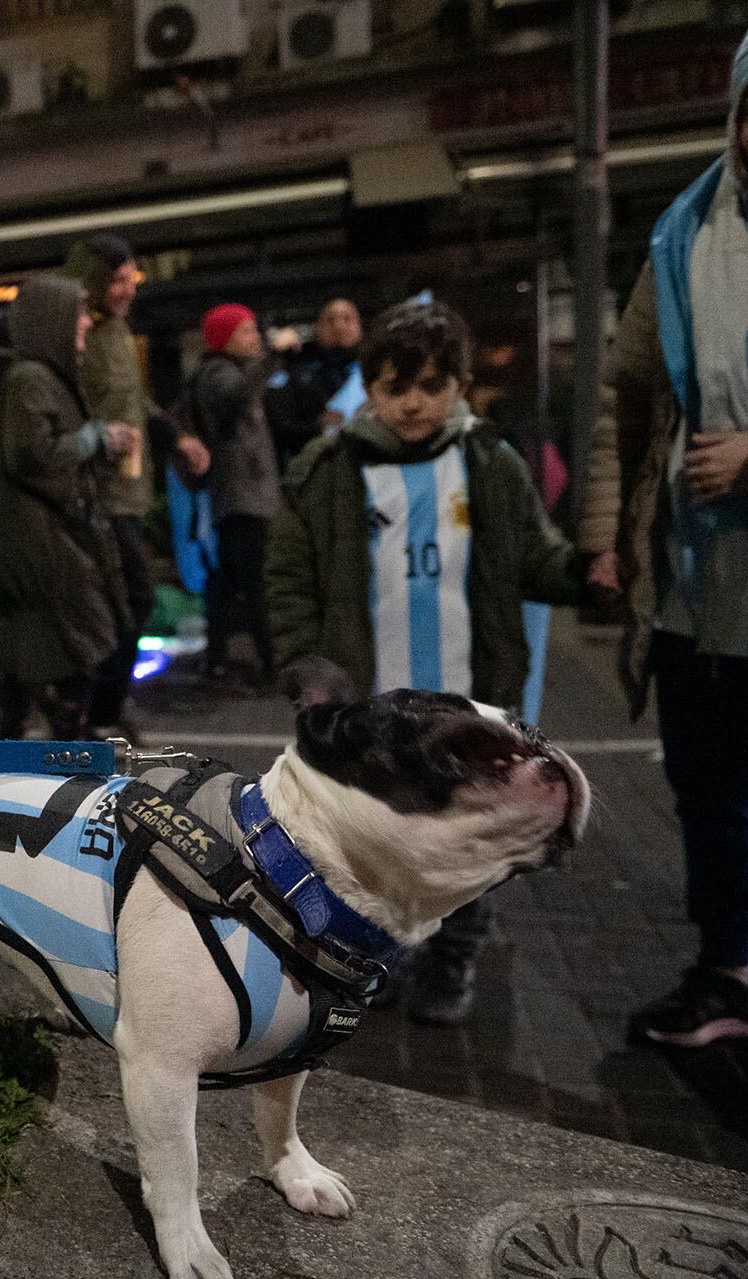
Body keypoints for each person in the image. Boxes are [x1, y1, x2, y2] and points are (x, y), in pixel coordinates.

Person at [266, 299, 591, 1024]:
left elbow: (534, 557)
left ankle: (457, 954)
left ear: (461, 384)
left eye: (432, 384)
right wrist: (307, 665)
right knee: (386, 835)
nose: (412, 402)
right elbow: (289, 577)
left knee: (476, 835)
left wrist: (587, 573)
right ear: (368, 388)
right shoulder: (328, 471)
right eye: (392, 385)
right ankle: (391, 948)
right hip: (378, 710)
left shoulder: (490, 464)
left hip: (474, 701)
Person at [578, 2, 748, 1047]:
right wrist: (607, 533)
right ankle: (726, 977)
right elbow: (622, 397)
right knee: (713, 792)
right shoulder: (682, 233)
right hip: (701, 577)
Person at [0, 275, 136, 740]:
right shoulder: (31, 379)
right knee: (76, 635)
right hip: (39, 539)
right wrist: (97, 438)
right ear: (54, 321)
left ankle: (21, 734)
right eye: (79, 314)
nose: (87, 322)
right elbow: (32, 454)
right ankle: (66, 735)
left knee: (43, 639)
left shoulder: (42, 378)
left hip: (40, 534)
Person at [64, 234, 206, 740]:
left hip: (127, 492)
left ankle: (99, 710)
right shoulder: (74, 335)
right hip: (95, 496)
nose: (128, 290)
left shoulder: (119, 331)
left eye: (132, 280)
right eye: (118, 280)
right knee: (129, 602)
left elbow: (134, 402)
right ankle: (92, 712)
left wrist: (177, 436)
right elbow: (63, 414)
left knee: (126, 603)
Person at [179, 303, 294, 687]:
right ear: (226, 339)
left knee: (230, 582)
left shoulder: (231, 373)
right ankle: (269, 665)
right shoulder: (218, 374)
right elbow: (237, 398)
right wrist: (274, 355)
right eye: (246, 332)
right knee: (257, 581)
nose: (255, 338)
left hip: (247, 497)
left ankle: (218, 660)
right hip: (241, 498)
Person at [266, 296, 362, 468]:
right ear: (318, 328)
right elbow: (280, 428)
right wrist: (315, 427)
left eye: (347, 319)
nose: (339, 326)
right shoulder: (296, 373)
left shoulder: (375, 369)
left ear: (359, 326)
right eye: (330, 320)